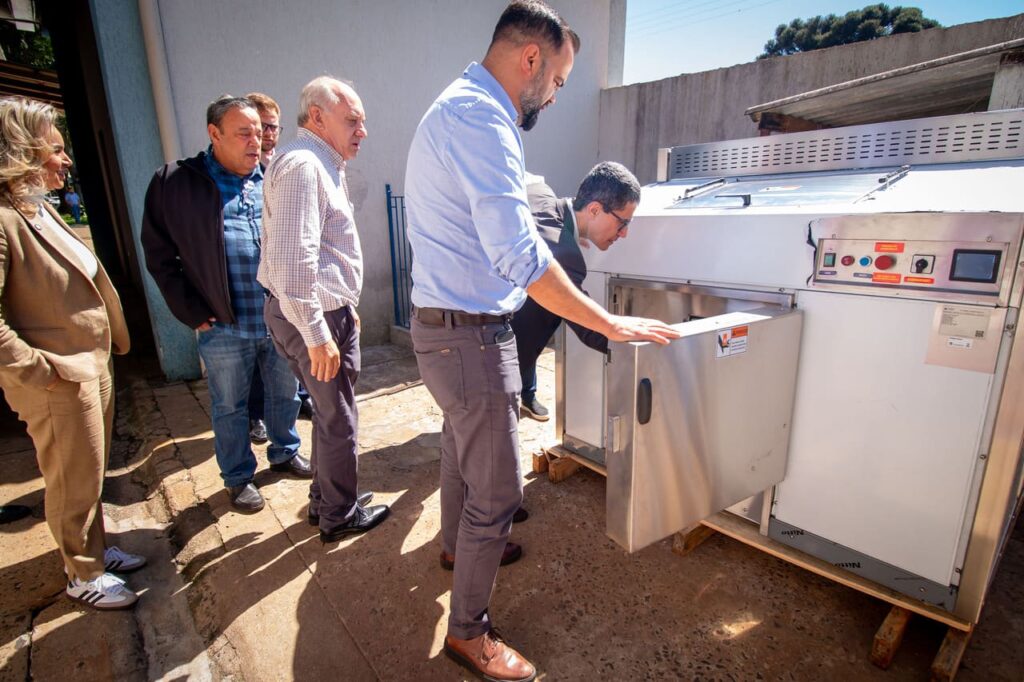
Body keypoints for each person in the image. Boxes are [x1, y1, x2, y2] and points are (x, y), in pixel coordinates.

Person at [404, 3, 679, 680]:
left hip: (445, 332)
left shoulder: (462, 107)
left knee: (459, 454)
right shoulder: (482, 119)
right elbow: (522, 257)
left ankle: (451, 547)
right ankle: (469, 631)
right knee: (497, 496)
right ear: (531, 58)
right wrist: (616, 327)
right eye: (557, 79)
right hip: (470, 335)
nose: (556, 94)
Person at [0, 96, 145, 610]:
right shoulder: (2, 219)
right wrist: (44, 370)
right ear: (22, 151)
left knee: (90, 470)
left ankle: (97, 550)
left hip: (88, 365)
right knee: (69, 475)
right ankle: (81, 572)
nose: (65, 161)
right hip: (57, 375)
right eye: (54, 151)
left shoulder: (35, 207)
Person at [141, 94, 309, 514]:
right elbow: (160, 256)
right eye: (244, 133)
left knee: (284, 394)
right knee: (230, 406)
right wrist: (191, 312)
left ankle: (284, 452)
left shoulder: (272, 176)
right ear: (214, 134)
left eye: (261, 132)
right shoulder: (176, 182)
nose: (258, 141)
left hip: (278, 317)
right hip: (223, 325)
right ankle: (237, 477)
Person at [259, 76, 389, 543]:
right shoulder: (304, 166)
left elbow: (322, 255)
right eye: (352, 119)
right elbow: (294, 263)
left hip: (324, 311)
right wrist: (317, 331)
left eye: (363, 121)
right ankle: (339, 514)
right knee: (339, 419)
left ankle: (325, 500)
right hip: (310, 317)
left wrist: (344, 306)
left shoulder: (319, 163)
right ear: (317, 116)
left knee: (330, 413)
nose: (363, 130)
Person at [514, 163, 640, 422]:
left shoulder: (540, 194)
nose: (625, 234)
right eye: (622, 222)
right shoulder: (563, 253)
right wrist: (644, 346)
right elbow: (589, 328)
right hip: (496, 357)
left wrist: (572, 232)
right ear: (594, 209)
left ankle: (526, 393)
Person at [245, 91, 314, 429]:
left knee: (287, 354)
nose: (268, 134)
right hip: (252, 283)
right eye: (262, 127)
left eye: (273, 127)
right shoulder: (243, 174)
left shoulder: (281, 165)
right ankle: (255, 415)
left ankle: (297, 406)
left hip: (282, 279)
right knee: (258, 357)